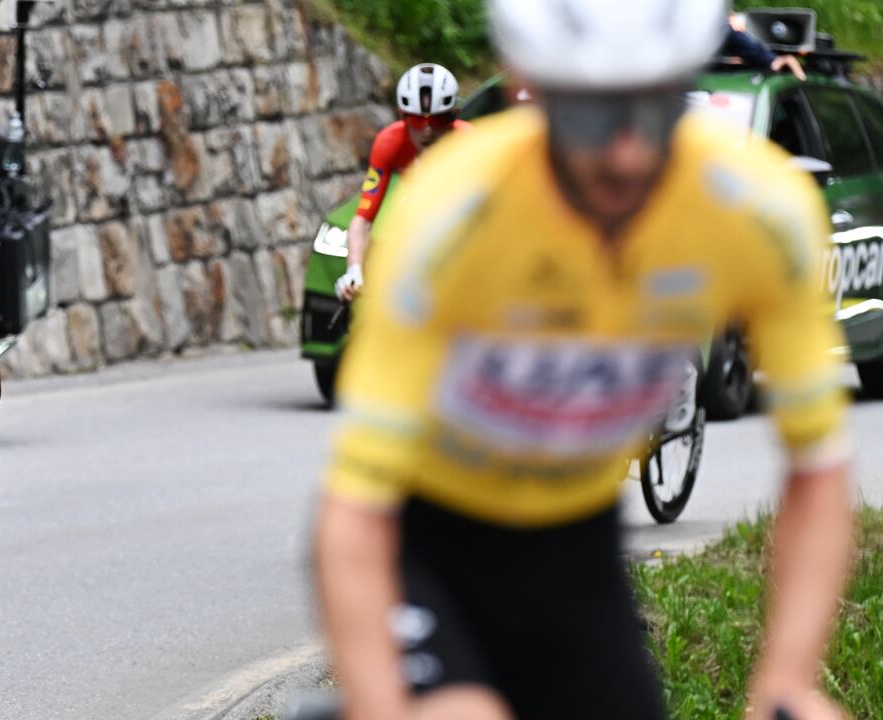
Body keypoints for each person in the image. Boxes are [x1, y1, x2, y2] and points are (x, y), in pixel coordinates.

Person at [315, 0, 853, 719]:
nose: (626, 152)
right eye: (593, 118)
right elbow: (352, 509)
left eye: (658, 112)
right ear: (525, 88)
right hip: (431, 544)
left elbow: (818, 467)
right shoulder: (451, 211)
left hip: (576, 544)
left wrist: (787, 678)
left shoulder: (759, 208)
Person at [335, 63, 474, 303]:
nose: (428, 132)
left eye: (438, 120)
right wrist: (354, 270)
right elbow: (363, 220)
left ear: (454, 117)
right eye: (417, 121)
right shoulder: (390, 143)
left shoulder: (471, 143)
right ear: (402, 117)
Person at [722, 11, 807, 80]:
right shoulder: (770, 60)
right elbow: (789, 59)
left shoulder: (763, 63)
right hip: (747, 46)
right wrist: (800, 76)